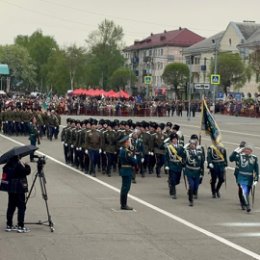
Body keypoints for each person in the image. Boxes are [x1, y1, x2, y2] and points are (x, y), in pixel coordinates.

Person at [4, 155, 31, 232]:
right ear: (17, 158)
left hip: (11, 189)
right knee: (21, 207)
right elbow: (27, 172)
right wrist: (26, 165)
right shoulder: (18, 165)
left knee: (11, 206)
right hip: (19, 188)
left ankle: (9, 225)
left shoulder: (7, 165)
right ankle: (20, 225)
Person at [229, 143, 259, 212]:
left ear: (251, 151)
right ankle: (247, 205)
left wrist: (256, 178)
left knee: (247, 191)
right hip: (241, 176)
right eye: (246, 149)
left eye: (249, 150)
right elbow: (231, 158)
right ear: (244, 150)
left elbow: (256, 169)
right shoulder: (240, 156)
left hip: (249, 177)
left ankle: (243, 202)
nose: (248, 151)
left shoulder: (254, 158)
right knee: (244, 189)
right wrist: (237, 150)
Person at [183, 136, 205, 206]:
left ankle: (191, 192)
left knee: (196, 186)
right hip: (189, 171)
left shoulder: (199, 152)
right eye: (191, 144)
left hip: (197, 172)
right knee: (191, 185)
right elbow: (182, 158)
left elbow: (201, 163)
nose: (193, 145)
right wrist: (184, 147)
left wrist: (202, 173)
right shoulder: (187, 152)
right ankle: (190, 200)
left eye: (194, 144)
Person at [118, 135, 137, 210]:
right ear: (126, 143)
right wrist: (134, 159)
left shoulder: (124, 150)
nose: (129, 143)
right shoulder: (126, 151)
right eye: (128, 141)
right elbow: (132, 161)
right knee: (126, 188)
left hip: (125, 170)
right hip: (127, 171)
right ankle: (123, 205)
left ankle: (123, 204)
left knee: (124, 188)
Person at [165, 133, 185, 199]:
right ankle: (174, 193)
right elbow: (167, 157)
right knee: (173, 179)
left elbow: (183, 156)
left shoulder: (181, 147)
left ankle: (171, 184)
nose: (175, 140)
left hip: (179, 165)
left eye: (176, 139)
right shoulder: (169, 147)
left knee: (177, 180)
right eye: (173, 139)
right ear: (171, 140)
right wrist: (167, 165)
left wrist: (184, 163)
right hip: (172, 164)